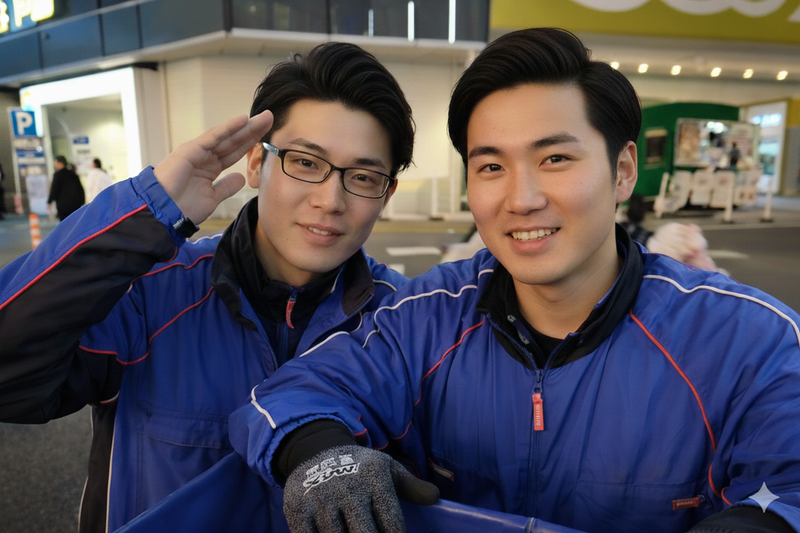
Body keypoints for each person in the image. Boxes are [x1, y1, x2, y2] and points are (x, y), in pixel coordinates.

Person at [230, 28, 800, 533]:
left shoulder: (750, 342)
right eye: (491, 167)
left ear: (623, 170)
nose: (522, 199)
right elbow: (287, 395)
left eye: (555, 160)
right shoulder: (424, 319)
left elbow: (790, 484)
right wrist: (324, 458)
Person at [0, 42, 412, 533]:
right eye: (305, 162)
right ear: (256, 163)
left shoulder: (403, 319)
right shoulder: (150, 293)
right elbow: (10, 379)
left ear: (385, 194)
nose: (330, 200)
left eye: (362, 176)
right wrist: (145, 213)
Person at [47, 154, 85, 220]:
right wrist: (82, 201)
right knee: (76, 222)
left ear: (60, 163)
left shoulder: (58, 175)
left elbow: (54, 190)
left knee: (65, 223)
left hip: (63, 206)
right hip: (75, 205)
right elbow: (80, 188)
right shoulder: (72, 174)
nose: (54, 165)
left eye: (55, 163)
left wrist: (49, 202)